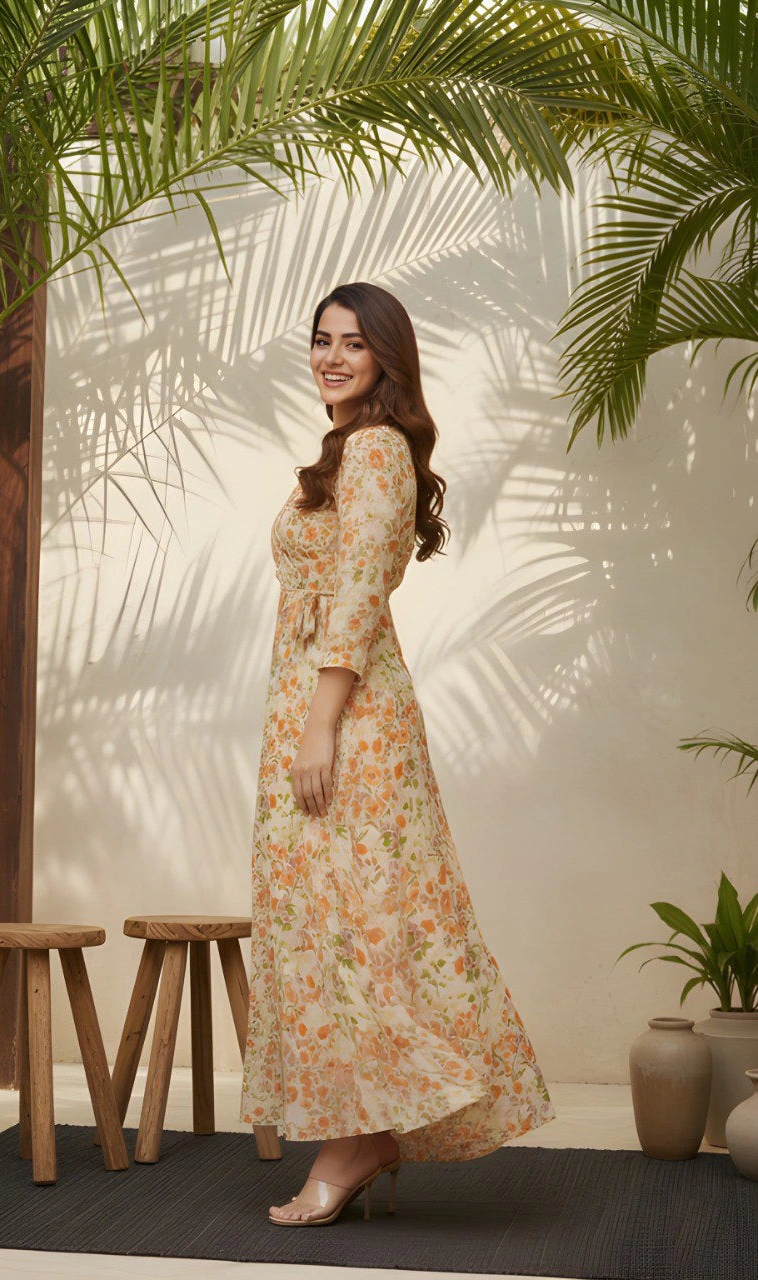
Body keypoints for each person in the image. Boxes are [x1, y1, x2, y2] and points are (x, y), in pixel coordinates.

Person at [238, 282, 556, 1226]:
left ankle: (355, 1146)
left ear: (385, 359)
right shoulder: (345, 454)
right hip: (311, 709)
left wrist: (321, 721)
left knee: (363, 919)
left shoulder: (375, 451)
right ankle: (367, 1129)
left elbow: (358, 598)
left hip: (348, 717)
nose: (333, 357)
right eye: (321, 341)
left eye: (354, 344)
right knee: (331, 923)